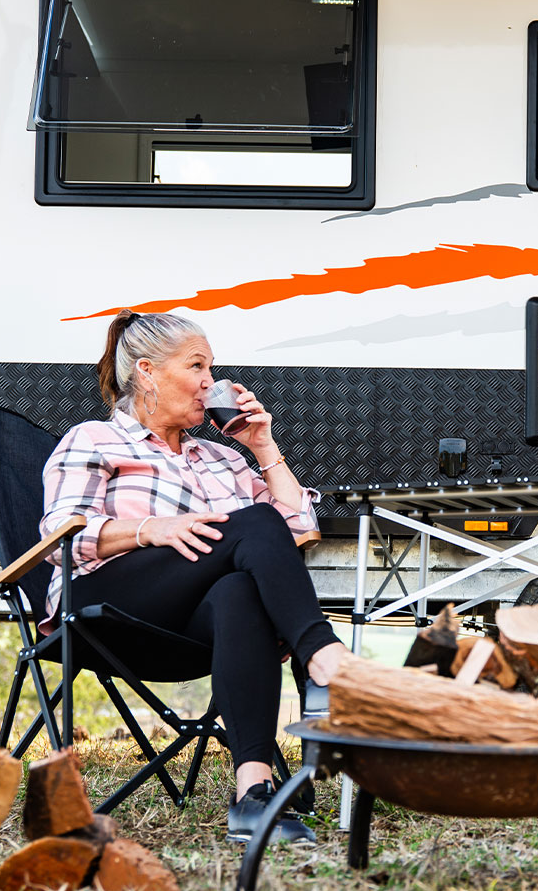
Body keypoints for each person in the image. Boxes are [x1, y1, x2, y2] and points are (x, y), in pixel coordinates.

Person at [40, 310, 350, 845]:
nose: (212, 382)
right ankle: (324, 660)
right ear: (147, 372)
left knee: (239, 589)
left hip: (194, 626)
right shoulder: (93, 439)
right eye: (197, 366)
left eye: (212, 367)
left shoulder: (223, 458)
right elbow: (62, 534)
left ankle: (253, 793)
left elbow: (298, 531)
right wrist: (152, 529)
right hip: (107, 605)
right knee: (255, 522)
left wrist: (262, 446)